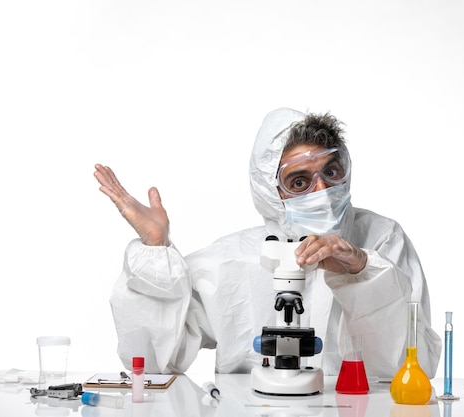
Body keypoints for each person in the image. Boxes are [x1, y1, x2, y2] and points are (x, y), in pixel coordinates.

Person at [94, 107, 441, 378]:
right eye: (300, 182)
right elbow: (153, 361)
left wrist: (362, 271)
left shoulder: (382, 239)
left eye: (331, 173)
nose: (322, 192)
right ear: (271, 191)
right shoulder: (230, 261)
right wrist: (156, 248)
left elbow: (414, 367)